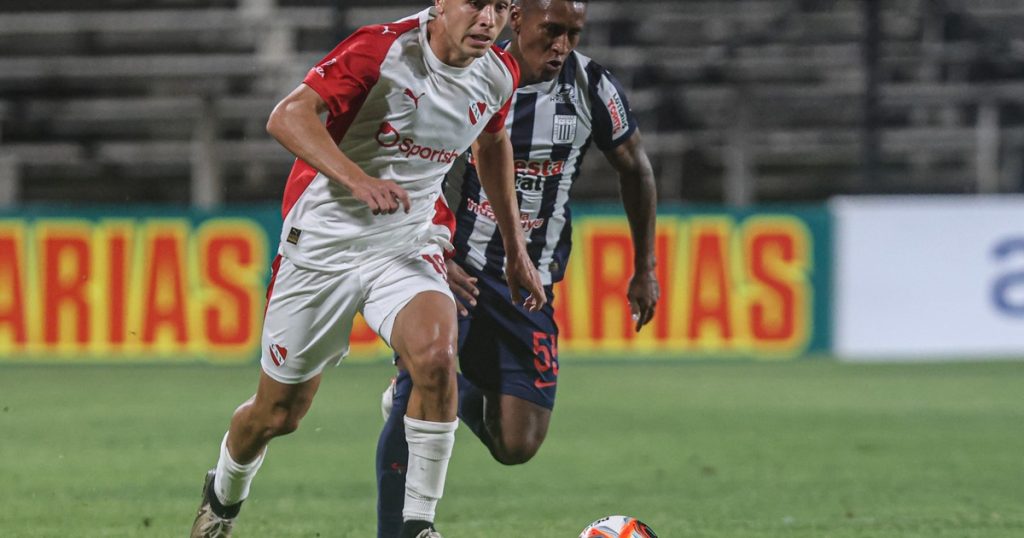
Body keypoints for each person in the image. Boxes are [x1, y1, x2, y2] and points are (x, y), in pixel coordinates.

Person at [189, 2, 546, 538]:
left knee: (436, 357)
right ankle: (222, 496)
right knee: (277, 415)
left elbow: (492, 143)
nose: (488, 19)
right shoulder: (382, 50)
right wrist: (358, 181)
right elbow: (287, 116)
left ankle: (417, 525)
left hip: (407, 241)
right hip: (322, 248)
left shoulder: (498, 73)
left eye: (500, 6)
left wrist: (516, 249)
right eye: (476, 2)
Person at [375, 0, 659, 536]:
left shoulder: (593, 87)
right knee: (421, 384)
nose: (562, 46)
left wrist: (645, 266)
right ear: (518, 19)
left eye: (573, 34)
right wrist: (431, 250)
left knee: (517, 443)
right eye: (552, 30)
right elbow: (409, 166)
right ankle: (399, 529)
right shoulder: (468, 76)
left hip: (530, 283)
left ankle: (445, 392)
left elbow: (636, 168)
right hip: (457, 270)